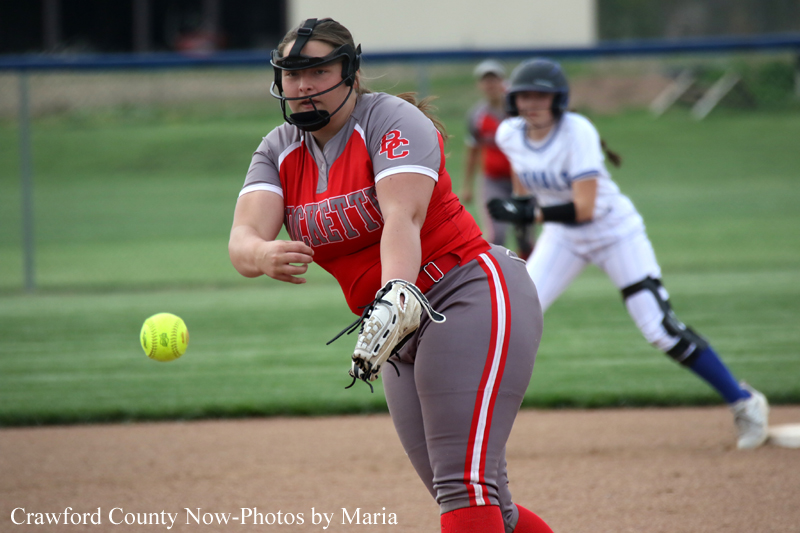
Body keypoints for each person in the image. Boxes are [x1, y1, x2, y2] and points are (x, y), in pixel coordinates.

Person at [228, 18, 554, 533]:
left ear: (351, 72)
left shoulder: (391, 120)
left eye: (317, 70)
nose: (302, 85)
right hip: (394, 325)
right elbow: (242, 238)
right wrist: (261, 252)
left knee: (464, 488)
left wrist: (397, 292)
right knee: (484, 504)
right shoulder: (279, 148)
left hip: (468, 292)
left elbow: (404, 216)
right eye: (291, 74)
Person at [489, 58, 769, 450]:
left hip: (613, 232)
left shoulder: (577, 131)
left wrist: (531, 211)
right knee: (512, 318)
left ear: (559, 99)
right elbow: (524, 179)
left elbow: (584, 208)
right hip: (562, 238)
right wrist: (525, 228)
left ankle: (745, 402)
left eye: (541, 95)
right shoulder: (509, 134)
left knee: (659, 329)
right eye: (524, 96)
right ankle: (482, 428)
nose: (531, 103)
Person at [462, 60, 534, 259]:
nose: (490, 85)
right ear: (480, 85)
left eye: (494, 80)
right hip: (492, 181)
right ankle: (499, 281)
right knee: (496, 235)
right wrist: (467, 185)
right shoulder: (477, 115)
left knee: (524, 237)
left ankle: (530, 280)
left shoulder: (518, 112)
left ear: (503, 82)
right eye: (486, 81)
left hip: (522, 181)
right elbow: (472, 151)